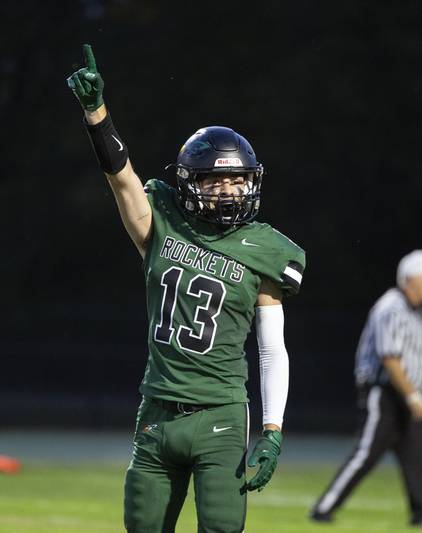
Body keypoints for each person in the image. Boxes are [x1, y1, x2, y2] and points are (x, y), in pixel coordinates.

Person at [67, 44, 305, 532]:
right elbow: (122, 181)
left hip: (220, 416)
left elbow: (271, 349)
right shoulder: (164, 223)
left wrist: (273, 428)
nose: (230, 190)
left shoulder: (266, 249)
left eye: (238, 180)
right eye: (217, 181)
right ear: (191, 183)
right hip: (156, 411)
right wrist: (97, 115)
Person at [310, 250, 422, 528]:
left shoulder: (417, 312)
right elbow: (390, 357)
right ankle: (323, 509)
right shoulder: (392, 307)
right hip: (383, 392)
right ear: (410, 279)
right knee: (366, 453)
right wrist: (412, 395)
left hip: (407, 393)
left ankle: (421, 515)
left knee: (417, 454)